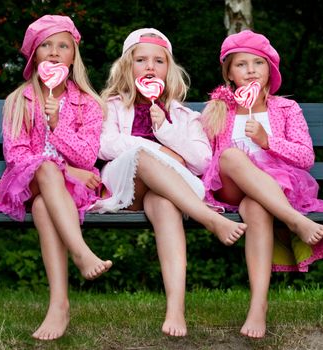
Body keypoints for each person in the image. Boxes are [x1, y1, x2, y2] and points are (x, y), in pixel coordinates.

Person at [90, 28, 247, 337]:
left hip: (167, 191)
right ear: (126, 66)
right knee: (144, 157)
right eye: (141, 60)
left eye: (159, 61)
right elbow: (103, 146)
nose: (150, 67)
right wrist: (158, 150)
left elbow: (202, 161)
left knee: (164, 206)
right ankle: (209, 219)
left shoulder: (185, 116)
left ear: (169, 69)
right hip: (124, 185)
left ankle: (175, 309)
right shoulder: (109, 106)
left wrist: (167, 132)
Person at [201, 30, 323, 338]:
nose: (251, 70)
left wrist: (268, 142)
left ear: (270, 71)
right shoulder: (217, 109)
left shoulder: (285, 109)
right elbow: (203, 157)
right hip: (228, 185)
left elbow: (306, 157)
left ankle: (258, 306)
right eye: (241, 64)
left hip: (274, 188)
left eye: (258, 63)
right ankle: (296, 221)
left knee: (256, 207)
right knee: (231, 156)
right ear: (228, 72)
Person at [0, 15, 112, 340]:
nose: (54, 52)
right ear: (34, 55)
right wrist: (62, 168)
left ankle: (59, 305)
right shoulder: (19, 101)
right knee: (47, 170)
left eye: (62, 45)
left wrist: (57, 125)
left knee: (42, 208)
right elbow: (17, 155)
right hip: (26, 183)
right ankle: (81, 252)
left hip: (72, 192)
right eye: (45, 46)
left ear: (72, 56)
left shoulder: (89, 104)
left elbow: (87, 156)